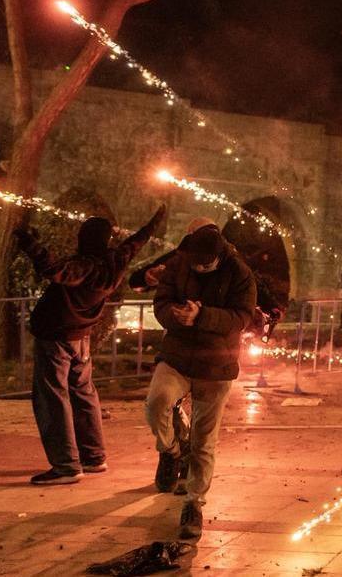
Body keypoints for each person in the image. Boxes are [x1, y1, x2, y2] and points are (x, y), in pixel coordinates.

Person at [15, 205, 167, 485]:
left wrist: (27, 241)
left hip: (57, 338)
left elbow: (54, 269)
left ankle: (66, 465)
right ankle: (93, 457)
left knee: (53, 399)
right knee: (84, 394)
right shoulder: (114, 261)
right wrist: (155, 220)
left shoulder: (85, 266)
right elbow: (136, 242)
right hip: (81, 338)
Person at [147, 223, 256, 539]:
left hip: (216, 365)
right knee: (157, 404)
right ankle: (169, 451)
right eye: (194, 262)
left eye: (204, 264)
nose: (198, 268)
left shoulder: (240, 273)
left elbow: (242, 317)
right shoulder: (180, 262)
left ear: (219, 257)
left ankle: (194, 504)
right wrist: (174, 315)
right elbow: (161, 301)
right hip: (177, 356)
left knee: (203, 441)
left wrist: (202, 316)